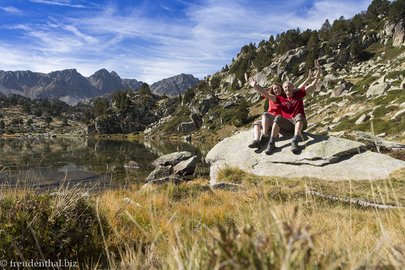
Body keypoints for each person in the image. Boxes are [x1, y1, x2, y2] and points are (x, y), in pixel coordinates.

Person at [248, 60, 322, 154]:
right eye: (285, 87)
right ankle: (271, 143)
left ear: (293, 87)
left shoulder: (299, 94)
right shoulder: (280, 99)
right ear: (284, 89)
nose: (287, 88)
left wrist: (318, 72)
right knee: (278, 118)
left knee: (299, 115)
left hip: (300, 122)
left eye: (289, 86)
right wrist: (255, 86)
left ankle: (295, 141)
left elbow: (312, 85)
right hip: (287, 125)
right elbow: (265, 93)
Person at [247, 82, 285, 148]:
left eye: (278, 88)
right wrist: (256, 85)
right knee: (256, 123)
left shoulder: (278, 98)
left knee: (265, 114)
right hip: (268, 121)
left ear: (281, 88)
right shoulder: (271, 96)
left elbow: (265, 93)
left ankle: (264, 136)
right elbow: (263, 92)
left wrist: (255, 86)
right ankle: (256, 141)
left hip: (276, 121)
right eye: (274, 89)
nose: (276, 90)